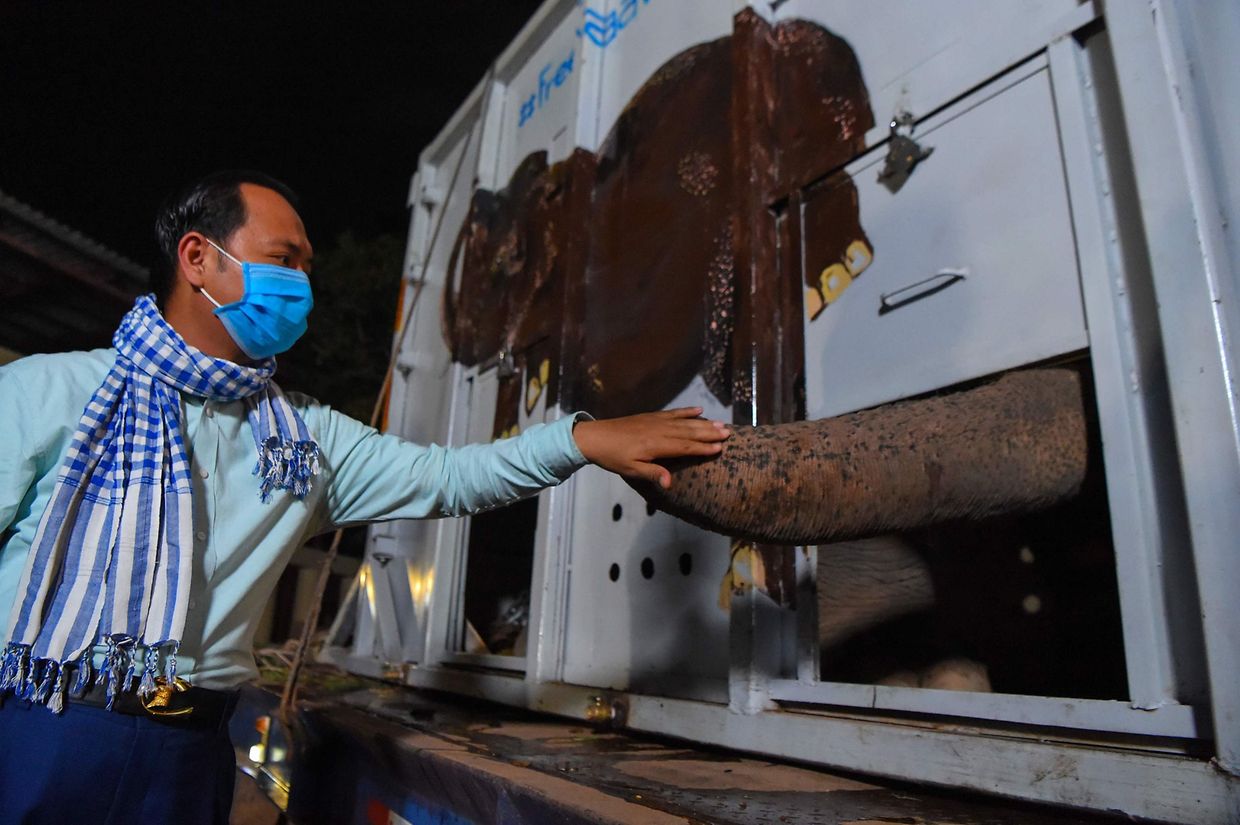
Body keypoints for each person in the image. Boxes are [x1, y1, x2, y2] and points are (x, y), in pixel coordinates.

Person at [0, 170, 730, 823]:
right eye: (284, 260)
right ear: (198, 258)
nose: (302, 285)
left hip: (189, 756)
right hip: (40, 727)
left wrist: (581, 440)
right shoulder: (49, 392)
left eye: (306, 268)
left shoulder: (304, 438)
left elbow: (449, 477)